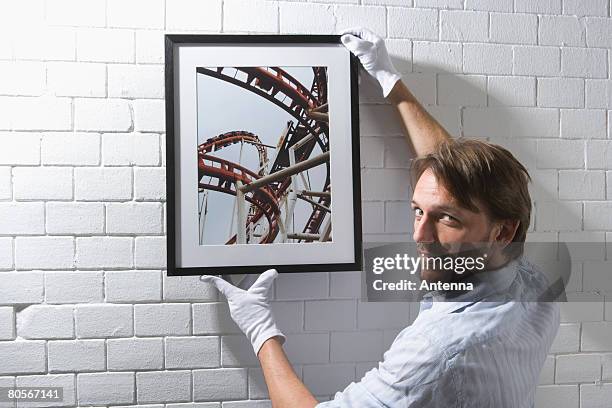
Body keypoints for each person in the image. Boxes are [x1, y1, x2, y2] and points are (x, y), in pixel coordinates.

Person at [200, 27, 560, 408]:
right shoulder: (535, 284)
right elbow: (458, 181)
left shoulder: (434, 353)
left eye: (447, 220)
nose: (421, 235)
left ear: (503, 232)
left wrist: (261, 331)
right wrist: (391, 82)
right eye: (418, 211)